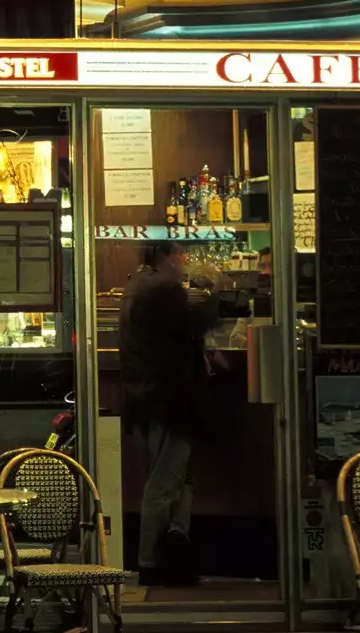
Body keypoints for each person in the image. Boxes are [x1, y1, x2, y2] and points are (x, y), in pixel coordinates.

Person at [120, 240, 219, 586]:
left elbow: (175, 336)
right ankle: (151, 562)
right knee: (164, 483)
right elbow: (198, 321)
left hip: (148, 397)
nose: (183, 261)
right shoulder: (162, 289)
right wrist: (215, 288)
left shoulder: (139, 285)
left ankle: (174, 551)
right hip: (168, 399)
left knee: (176, 479)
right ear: (164, 257)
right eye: (179, 255)